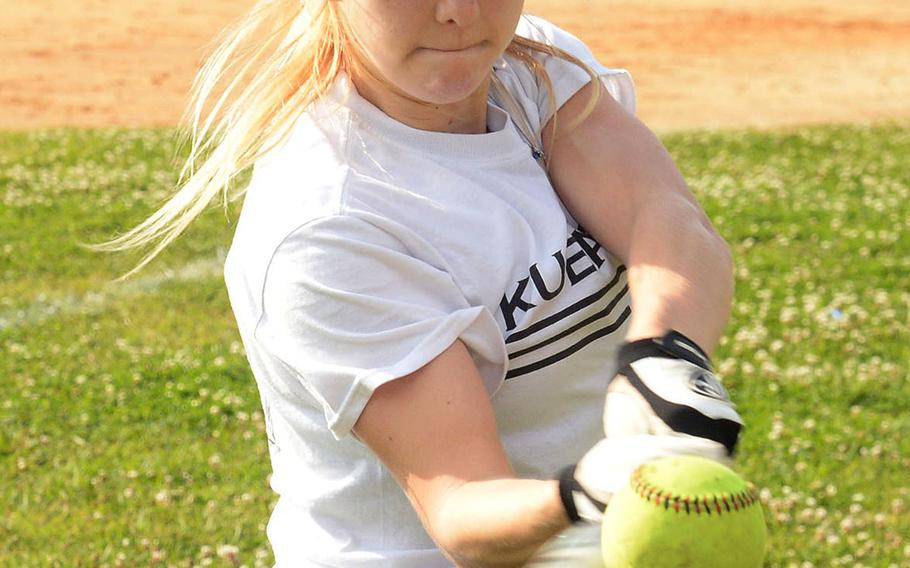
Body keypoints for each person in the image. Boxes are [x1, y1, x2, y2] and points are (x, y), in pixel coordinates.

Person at [93, 1, 745, 566]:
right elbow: (461, 507)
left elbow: (667, 219)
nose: (458, 11)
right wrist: (585, 494)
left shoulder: (530, 75)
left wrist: (665, 353)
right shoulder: (331, 223)